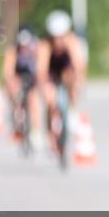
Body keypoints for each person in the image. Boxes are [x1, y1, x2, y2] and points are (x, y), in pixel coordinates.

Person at [36, 10, 86, 148]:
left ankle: (72, 109)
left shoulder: (72, 42)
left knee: (73, 80)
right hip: (51, 72)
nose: (58, 41)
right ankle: (51, 136)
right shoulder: (45, 45)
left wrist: (77, 81)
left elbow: (79, 65)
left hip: (66, 70)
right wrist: (45, 87)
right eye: (55, 37)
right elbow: (42, 69)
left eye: (61, 37)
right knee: (50, 100)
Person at [3, 24, 42, 146]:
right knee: (13, 88)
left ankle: (35, 132)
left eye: (26, 45)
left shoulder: (37, 49)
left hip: (32, 77)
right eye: (22, 46)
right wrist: (11, 83)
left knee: (33, 100)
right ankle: (17, 112)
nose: (24, 48)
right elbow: (8, 71)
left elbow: (42, 68)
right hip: (18, 76)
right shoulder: (13, 50)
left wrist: (39, 82)